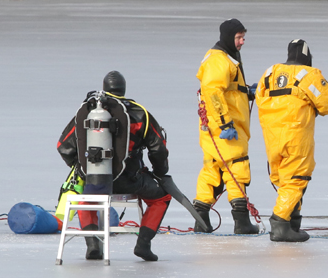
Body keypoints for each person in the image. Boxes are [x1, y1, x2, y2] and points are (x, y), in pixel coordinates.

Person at [57, 71, 172, 261]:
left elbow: (63, 147)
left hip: (94, 179)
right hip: (129, 181)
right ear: (123, 90)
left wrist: (83, 169)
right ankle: (143, 244)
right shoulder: (139, 113)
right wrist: (160, 173)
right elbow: (158, 149)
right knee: (162, 197)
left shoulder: (88, 110)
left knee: (85, 198)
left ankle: (93, 244)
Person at [254, 39, 328, 242]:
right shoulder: (308, 75)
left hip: (272, 137)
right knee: (297, 178)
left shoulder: (270, 72)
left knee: (283, 180)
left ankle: (292, 222)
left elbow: (259, 96)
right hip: (296, 136)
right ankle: (280, 223)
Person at [193, 18, 259, 234]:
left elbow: (227, 89)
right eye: (239, 38)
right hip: (224, 128)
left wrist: (245, 91)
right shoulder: (218, 60)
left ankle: (201, 218)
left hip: (214, 127)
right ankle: (241, 221)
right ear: (229, 38)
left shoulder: (226, 58)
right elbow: (213, 92)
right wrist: (225, 123)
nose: (242, 42)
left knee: (212, 169)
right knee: (237, 167)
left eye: (243, 37)